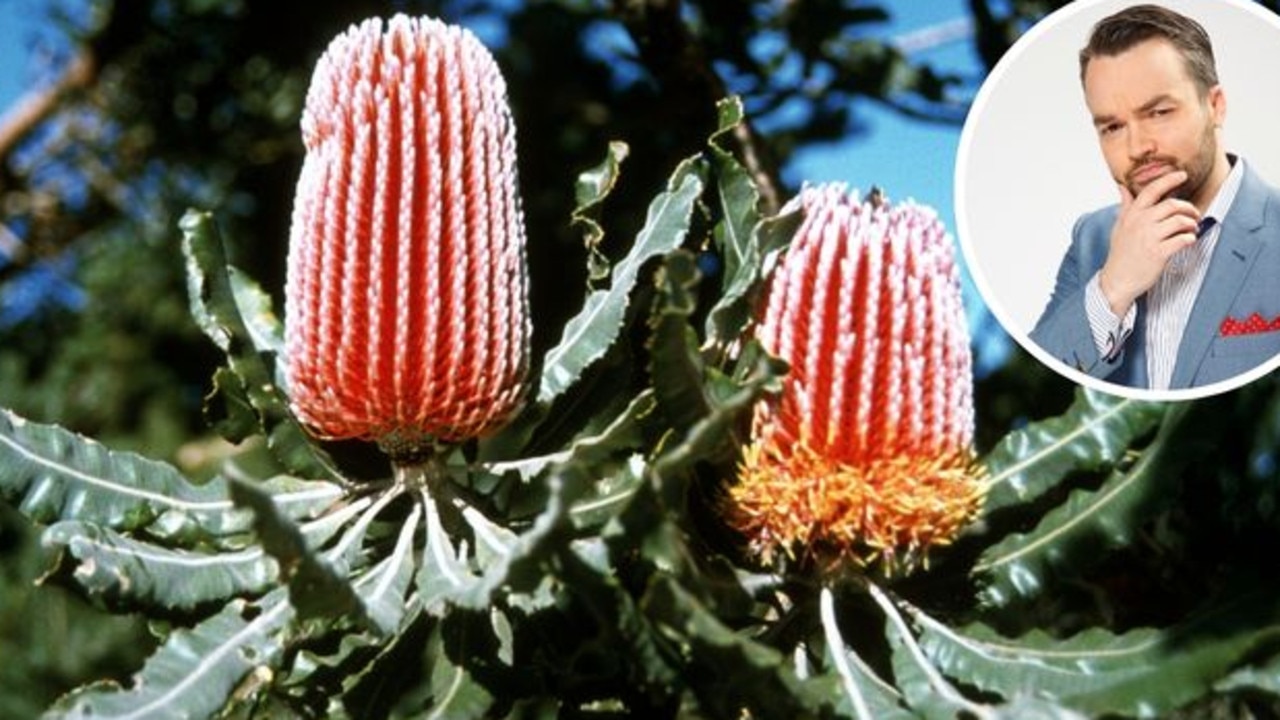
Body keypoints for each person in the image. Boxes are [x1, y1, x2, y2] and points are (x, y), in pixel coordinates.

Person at [1030, 3, 1280, 390]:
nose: (1137, 147)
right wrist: (1112, 287)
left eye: (1159, 112)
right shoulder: (1092, 237)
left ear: (1215, 106)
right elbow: (1038, 387)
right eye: (1112, 127)